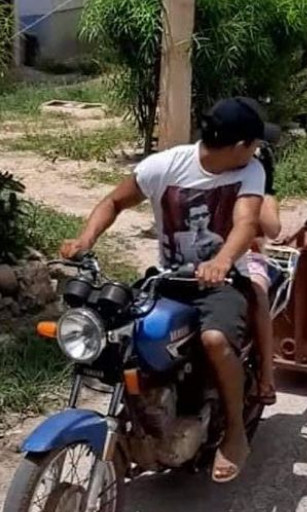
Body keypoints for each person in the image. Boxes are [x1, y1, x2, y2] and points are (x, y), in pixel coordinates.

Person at [60, 97, 280, 484]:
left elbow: (246, 224)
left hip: (224, 279)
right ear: (238, 145)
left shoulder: (251, 170)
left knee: (214, 339)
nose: (257, 151)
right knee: (125, 338)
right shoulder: (165, 165)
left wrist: (223, 260)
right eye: (254, 144)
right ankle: (140, 420)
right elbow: (114, 200)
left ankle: (234, 433)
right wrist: (85, 239)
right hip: (168, 277)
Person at [248, 194, 281, 406]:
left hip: (248, 260)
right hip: (206, 259)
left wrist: (257, 198)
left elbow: (273, 230)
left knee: (257, 292)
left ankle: (267, 374)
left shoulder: (265, 198)